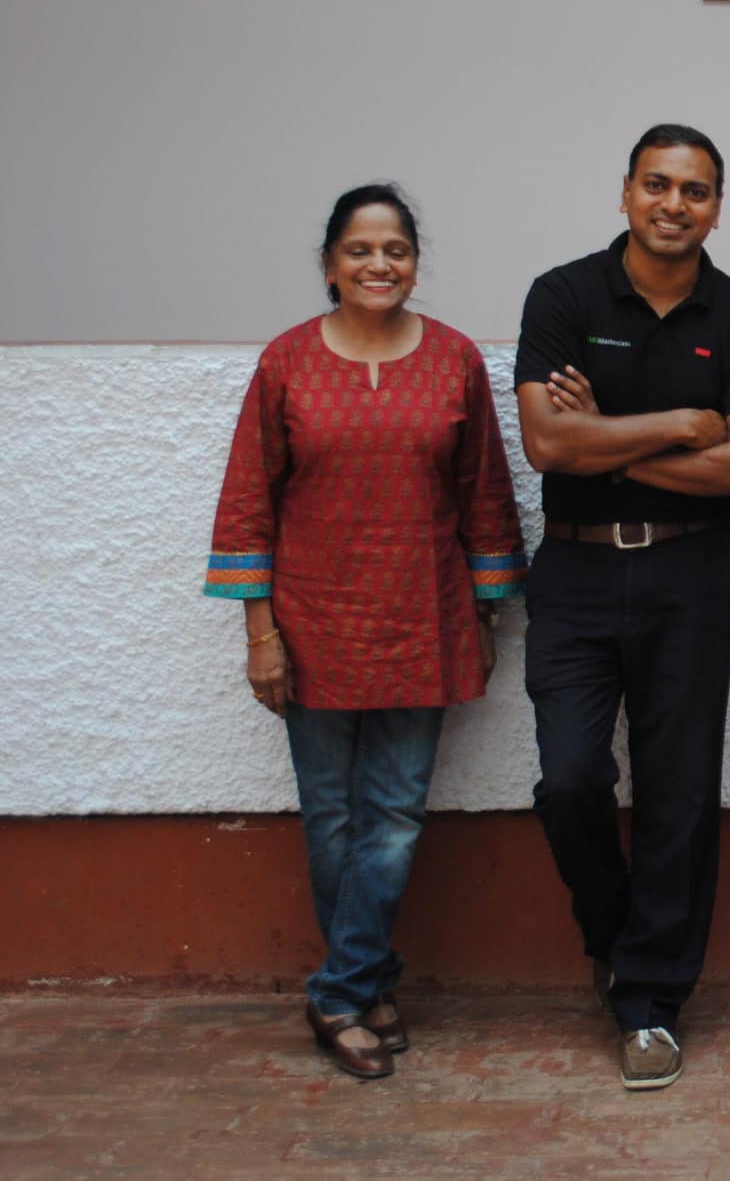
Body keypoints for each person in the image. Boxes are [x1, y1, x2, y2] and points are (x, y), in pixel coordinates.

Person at [205, 184, 527, 1081]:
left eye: (396, 249)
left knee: (391, 819)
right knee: (333, 819)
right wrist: (260, 634)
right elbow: (247, 501)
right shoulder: (286, 362)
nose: (379, 263)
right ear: (329, 264)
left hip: (424, 619)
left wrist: (486, 613)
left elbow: (485, 495)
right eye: (359, 249)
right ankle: (365, 982)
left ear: (415, 263)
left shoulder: (456, 360)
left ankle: (341, 992)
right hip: (312, 625)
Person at [513, 124, 730, 1091]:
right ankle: (613, 935)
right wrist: (675, 425)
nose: (675, 204)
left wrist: (606, 437)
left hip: (691, 571)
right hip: (576, 569)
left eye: (695, 190)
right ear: (626, 192)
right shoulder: (563, 296)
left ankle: (650, 1003)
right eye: (658, 184)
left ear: (718, 207)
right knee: (570, 778)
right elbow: (547, 445)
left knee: (679, 789)